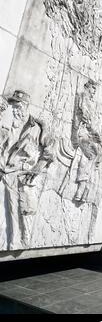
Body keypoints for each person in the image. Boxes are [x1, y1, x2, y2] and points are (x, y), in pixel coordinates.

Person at [0, 90, 54, 249]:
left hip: (24, 175)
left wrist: (37, 168)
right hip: (7, 173)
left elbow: (50, 151)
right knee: (10, 212)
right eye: (13, 107)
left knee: (25, 212)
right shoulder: (10, 126)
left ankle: (23, 243)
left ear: (26, 106)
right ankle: (12, 243)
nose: (15, 110)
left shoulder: (37, 128)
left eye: (18, 107)